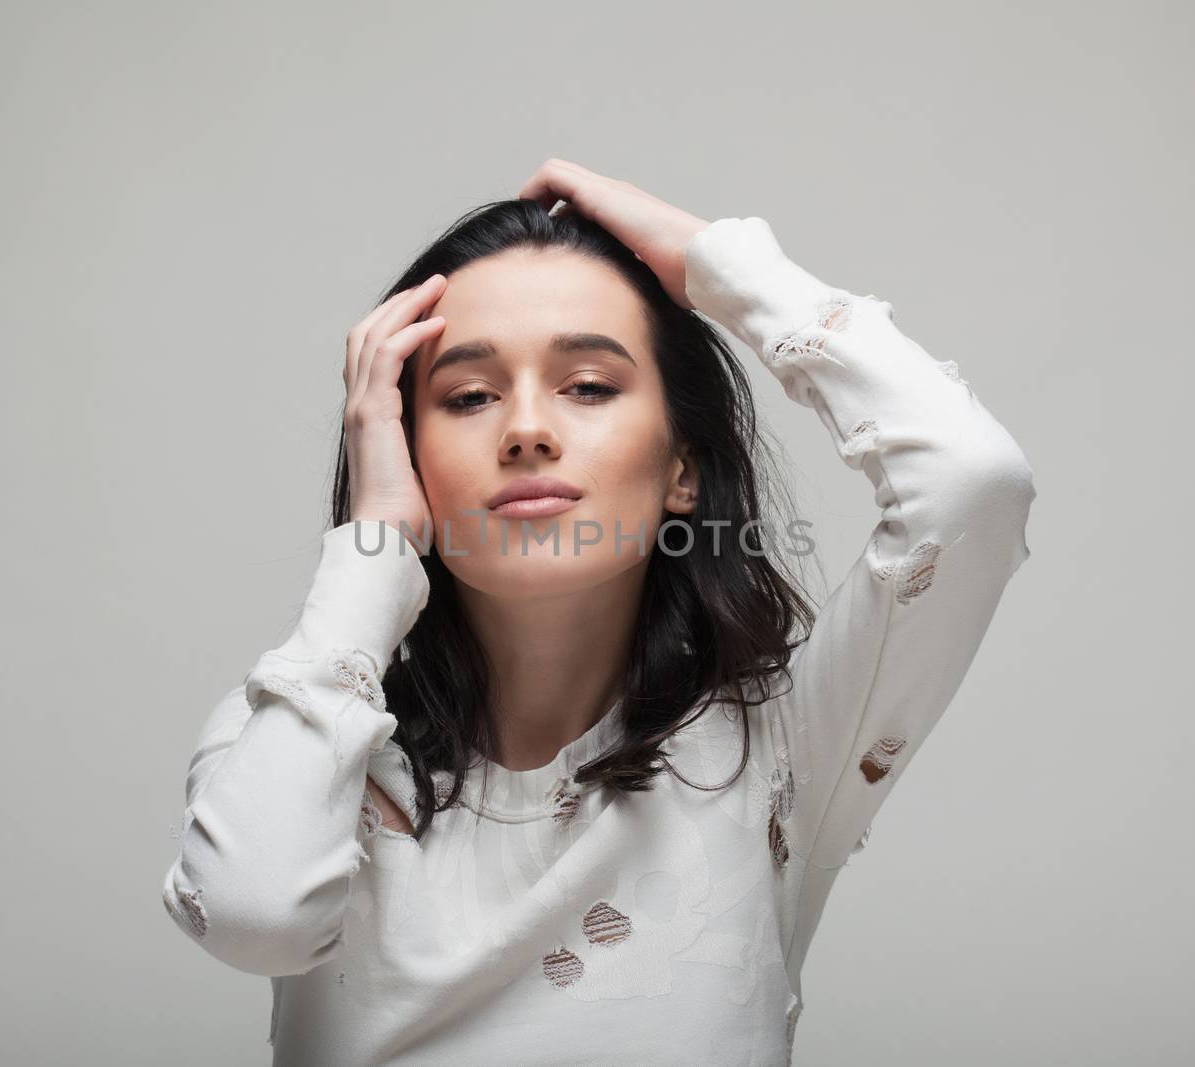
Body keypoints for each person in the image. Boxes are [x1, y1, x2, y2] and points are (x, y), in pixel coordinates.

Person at [160, 158, 1037, 1065]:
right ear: (406, 461)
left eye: (587, 385)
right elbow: (252, 919)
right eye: (468, 396)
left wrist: (719, 269)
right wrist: (379, 541)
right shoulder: (302, 734)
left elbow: (972, 483)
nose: (527, 429)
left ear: (681, 470)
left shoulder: (781, 747)